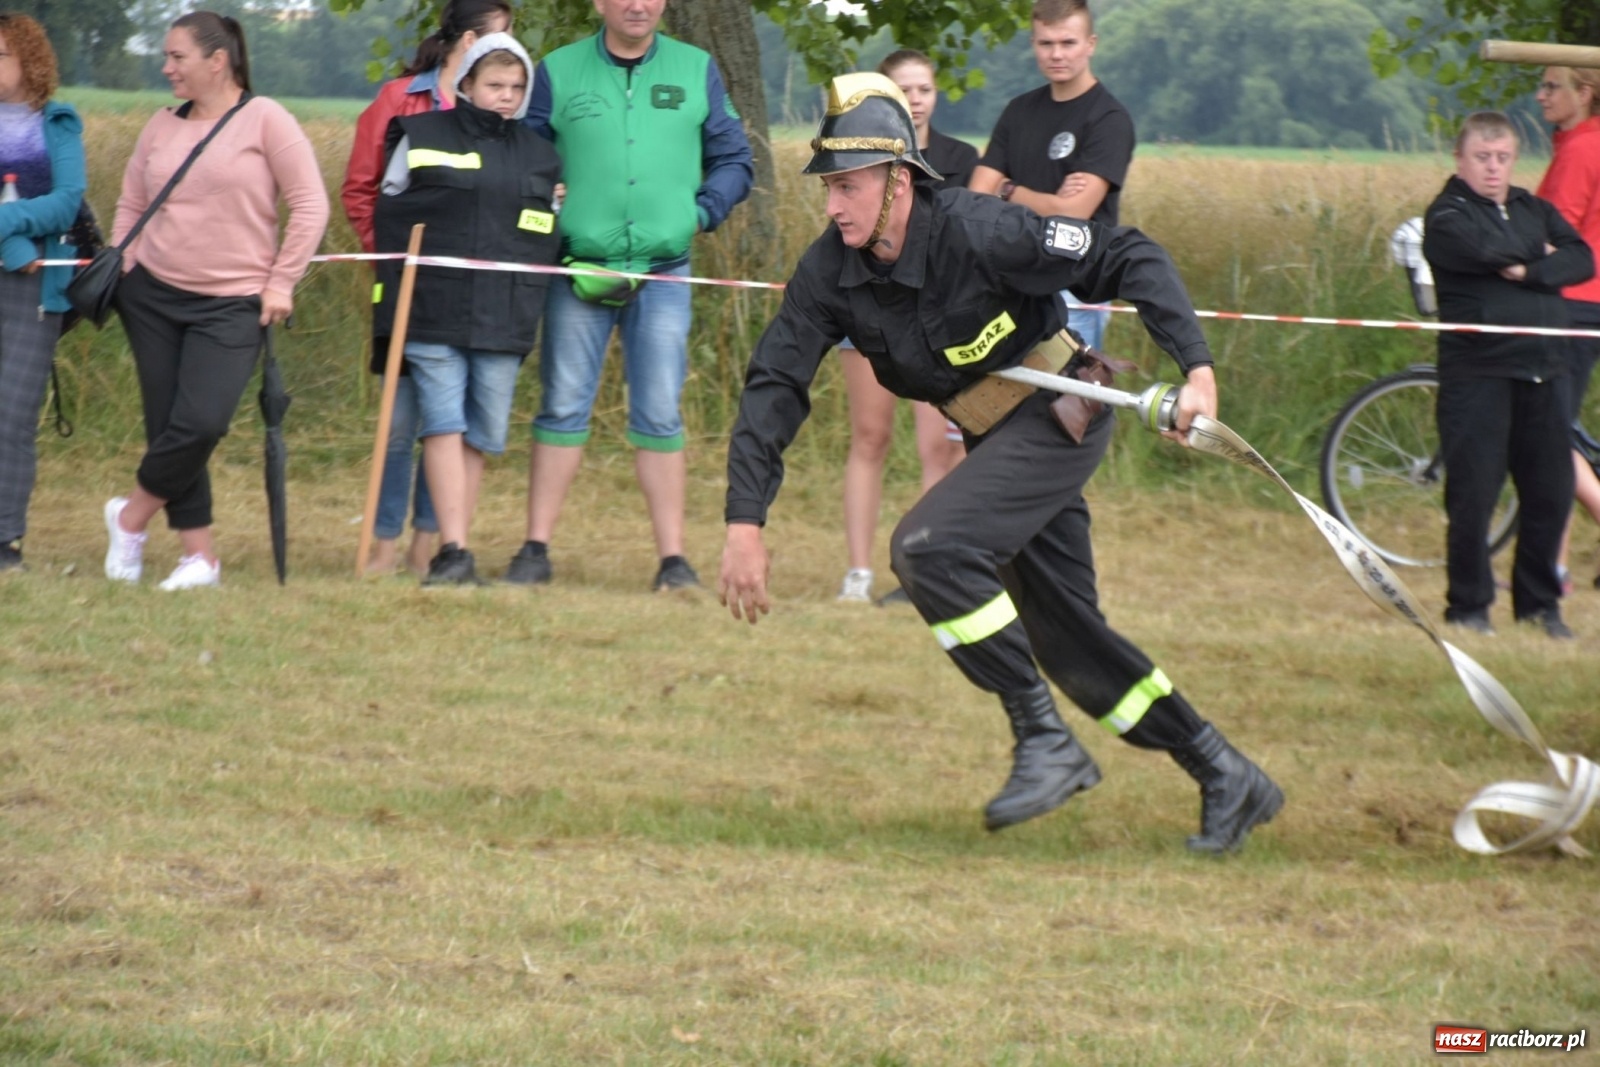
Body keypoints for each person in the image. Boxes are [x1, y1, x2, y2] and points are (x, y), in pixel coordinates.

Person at [719, 73, 1281, 854]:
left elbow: (1128, 254)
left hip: (1062, 417)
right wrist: (745, 520)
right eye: (828, 187)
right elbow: (775, 384)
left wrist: (1197, 368)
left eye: (847, 185)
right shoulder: (830, 273)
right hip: (994, 438)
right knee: (1066, 635)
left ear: (899, 180)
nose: (832, 205)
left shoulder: (983, 229)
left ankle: (1043, 740)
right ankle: (1226, 772)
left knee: (928, 548)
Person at [504, 0, 753, 593]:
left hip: (665, 272)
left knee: (661, 411)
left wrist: (699, 213)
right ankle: (535, 549)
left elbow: (735, 159)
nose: (636, 5)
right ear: (599, 4)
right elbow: (522, 158)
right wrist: (548, 207)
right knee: (563, 404)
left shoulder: (697, 68)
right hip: (578, 269)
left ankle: (673, 561)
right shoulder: (557, 70)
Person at [105, 10, 329, 590]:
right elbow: (131, 203)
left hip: (232, 301)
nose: (166, 67)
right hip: (150, 295)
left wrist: (281, 282)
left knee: (201, 423)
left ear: (217, 60)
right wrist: (121, 263)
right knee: (168, 424)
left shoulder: (265, 120)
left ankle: (128, 518)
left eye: (177, 57)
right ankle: (198, 557)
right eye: (167, 56)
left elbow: (310, 204)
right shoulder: (159, 124)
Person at [372, 33, 562, 586]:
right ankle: (454, 551)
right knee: (444, 423)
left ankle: (447, 547)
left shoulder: (542, 156)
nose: (506, 96)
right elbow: (390, 217)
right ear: (467, 84)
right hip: (433, 310)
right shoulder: (420, 134)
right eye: (495, 84)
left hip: (505, 318)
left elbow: (540, 233)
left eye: (516, 87)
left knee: (482, 434)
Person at [341, 0, 513, 578]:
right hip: (410, 287)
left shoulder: (501, 104)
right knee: (401, 422)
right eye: (500, 37)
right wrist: (390, 258)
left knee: (451, 422)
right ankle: (382, 544)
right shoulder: (398, 100)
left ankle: (428, 542)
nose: (508, 51)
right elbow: (362, 190)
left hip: (473, 298)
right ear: (467, 41)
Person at [1422, 111, 1593, 638]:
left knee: (1550, 491)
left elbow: (1582, 259)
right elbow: (1476, 251)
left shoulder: (1532, 207)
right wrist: (1537, 256)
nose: (1493, 169)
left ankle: (1540, 608)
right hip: (1480, 374)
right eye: (1482, 158)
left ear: (1514, 160)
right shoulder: (1446, 214)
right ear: (1461, 158)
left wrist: (1528, 270)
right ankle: (1469, 609)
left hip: (1548, 370)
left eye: (1502, 158)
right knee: (1474, 493)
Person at [836, 48, 977, 604]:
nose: (916, 99)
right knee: (869, 437)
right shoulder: (853, 155)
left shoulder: (962, 158)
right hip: (867, 311)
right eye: (904, 90)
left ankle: (922, 573)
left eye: (924, 89)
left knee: (937, 450)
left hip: (934, 323)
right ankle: (857, 573)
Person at [968, 0, 1132, 355]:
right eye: (1046, 43)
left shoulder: (1108, 120)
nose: (1056, 54)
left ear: (1091, 44)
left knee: (1069, 407)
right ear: (1033, 45)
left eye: (1067, 43)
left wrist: (1009, 189)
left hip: (1075, 289)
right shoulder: (1019, 111)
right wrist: (1049, 202)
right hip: (1011, 280)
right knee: (996, 402)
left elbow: (1071, 216)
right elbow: (977, 195)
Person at [0, 14, 84, 573]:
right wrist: (12, 246)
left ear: (29, 59)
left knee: (12, 415)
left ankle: (5, 541)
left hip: (36, 289)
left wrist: (10, 224)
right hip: (19, 262)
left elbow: (68, 202)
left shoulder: (58, 122)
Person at [1534, 65, 1600, 593]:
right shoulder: (1583, 143)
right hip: (1586, 305)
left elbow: (1553, 239)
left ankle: (1550, 570)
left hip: (1574, 305)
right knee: (1553, 430)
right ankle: (1550, 569)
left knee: (1550, 432)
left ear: (1585, 93)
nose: (1541, 95)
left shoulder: (1580, 151)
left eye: (1553, 86)